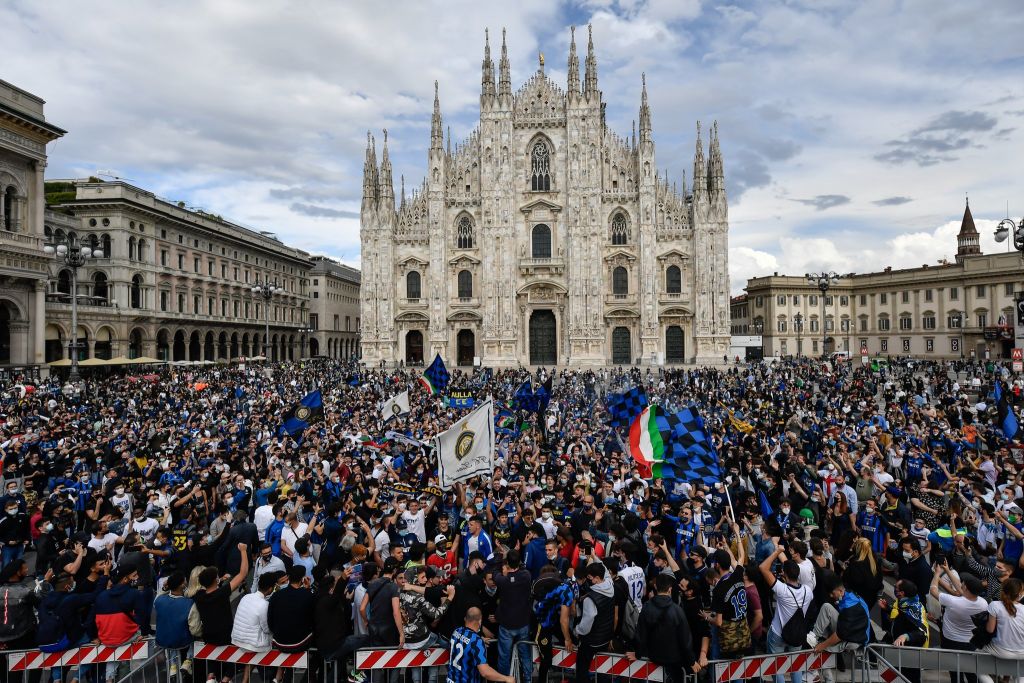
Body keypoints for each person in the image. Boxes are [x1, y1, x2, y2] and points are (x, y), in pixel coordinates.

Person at [629, 572, 698, 682]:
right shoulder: (677, 610)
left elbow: (641, 634)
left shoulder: (647, 608)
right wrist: (691, 661)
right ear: (670, 589)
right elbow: (686, 639)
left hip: (653, 657)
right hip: (674, 660)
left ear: (656, 587)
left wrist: (638, 654)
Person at [759, 544, 813, 683]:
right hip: (798, 634)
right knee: (796, 666)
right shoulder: (808, 591)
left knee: (776, 668)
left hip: (778, 633)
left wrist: (777, 551)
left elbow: (763, 568)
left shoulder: (782, 590)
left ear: (784, 574)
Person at [809, 576, 872, 683]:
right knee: (827, 609)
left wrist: (822, 645)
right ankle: (815, 638)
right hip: (854, 632)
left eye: (832, 593)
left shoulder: (850, 606)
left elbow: (839, 635)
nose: (830, 595)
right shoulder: (848, 594)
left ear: (840, 590)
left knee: (822, 646)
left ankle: (825, 677)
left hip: (856, 640)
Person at [929, 564, 986, 683]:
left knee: (954, 670)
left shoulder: (953, 601)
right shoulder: (983, 603)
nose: (962, 583)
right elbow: (961, 589)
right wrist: (947, 570)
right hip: (970, 642)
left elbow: (933, 590)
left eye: (963, 583)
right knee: (970, 670)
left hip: (950, 640)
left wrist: (937, 574)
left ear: (966, 588)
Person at [494, 549, 533, 682]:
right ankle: (528, 679)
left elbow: (494, 571)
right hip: (523, 623)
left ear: (507, 564)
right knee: (525, 654)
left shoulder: (502, 580)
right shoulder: (526, 576)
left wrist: (500, 557)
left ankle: (505, 679)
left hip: (506, 625)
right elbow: (521, 568)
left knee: (504, 656)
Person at [446, 608, 514, 683]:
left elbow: (464, 642)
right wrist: (506, 678)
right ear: (480, 620)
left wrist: (479, 640)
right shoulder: (476, 641)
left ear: (465, 618)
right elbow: (485, 672)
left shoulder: (456, 631)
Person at [232, 573, 278, 683]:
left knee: (253, 649)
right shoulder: (264, 605)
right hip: (252, 644)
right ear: (271, 588)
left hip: (237, 639)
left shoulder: (246, 597)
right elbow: (266, 629)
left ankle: (245, 680)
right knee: (270, 644)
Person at [531, 566, 574, 683]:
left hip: (551, 622)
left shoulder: (540, 587)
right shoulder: (566, 589)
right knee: (547, 660)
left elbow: (564, 619)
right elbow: (564, 619)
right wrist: (567, 639)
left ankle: (566, 676)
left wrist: (568, 639)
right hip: (542, 625)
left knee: (548, 659)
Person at [574, 563, 615, 683]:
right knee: (604, 670)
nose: (588, 580)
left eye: (590, 578)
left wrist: (577, 630)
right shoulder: (610, 585)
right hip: (606, 638)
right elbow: (606, 571)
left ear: (597, 578)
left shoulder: (590, 599)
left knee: (581, 669)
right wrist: (593, 555)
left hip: (592, 641)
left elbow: (586, 625)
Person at [977, 578, 1024, 683]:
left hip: (1001, 650)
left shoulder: (995, 605)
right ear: (1019, 594)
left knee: (976, 661)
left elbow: (990, 630)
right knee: (1021, 673)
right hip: (1022, 652)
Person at [154, 571, 194, 679]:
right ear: (182, 584)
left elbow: (158, 596)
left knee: (171, 638)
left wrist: (164, 588)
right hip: (182, 640)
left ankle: (173, 665)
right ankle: (188, 660)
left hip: (162, 639)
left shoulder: (159, 601)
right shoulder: (189, 603)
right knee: (195, 635)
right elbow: (194, 628)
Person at [268, 564, 316, 651]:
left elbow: (270, 619)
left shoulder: (276, 595)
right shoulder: (307, 595)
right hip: (300, 642)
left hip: (279, 641)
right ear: (303, 578)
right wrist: (308, 589)